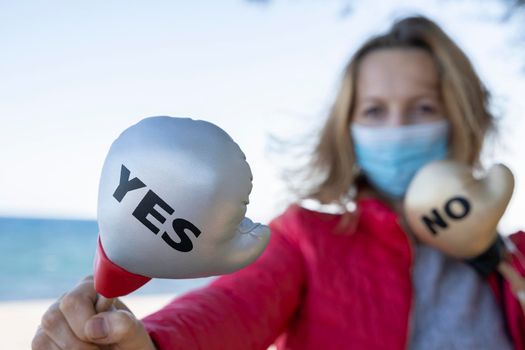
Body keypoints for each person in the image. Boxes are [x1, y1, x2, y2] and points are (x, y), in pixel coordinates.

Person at [32, 15, 525, 350]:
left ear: (461, 118)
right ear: (346, 130)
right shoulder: (306, 239)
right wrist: (150, 340)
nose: (396, 128)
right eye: (374, 110)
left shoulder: (514, 260)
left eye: (423, 108)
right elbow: (229, 306)